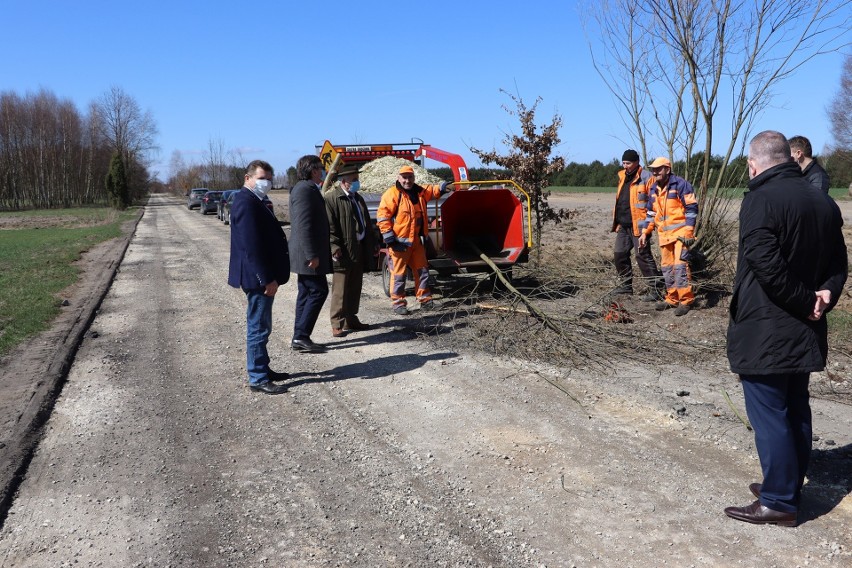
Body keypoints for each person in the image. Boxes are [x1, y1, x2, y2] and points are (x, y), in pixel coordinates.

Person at [724, 130, 847, 527]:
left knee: (770, 412)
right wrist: (825, 294)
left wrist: (803, 299)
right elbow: (839, 261)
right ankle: (787, 485)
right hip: (805, 327)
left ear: (754, 163)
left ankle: (779, 500)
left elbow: (765, 264)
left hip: (768, 327)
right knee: (795, 407)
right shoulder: (823, 201)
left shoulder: (760, 199)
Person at [227, 160, 291, 395]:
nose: (267, 182)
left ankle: (263, 368)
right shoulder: (245, 202)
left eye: (269, 178)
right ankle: (257, 377)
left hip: (263, 275)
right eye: (262, 177)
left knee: (263, 325)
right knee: (258, 327)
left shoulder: (257, 201)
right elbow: (250, 247)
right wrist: (266, 279)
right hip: (258, 279)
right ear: (248, 178)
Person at [376, 164, 453, 315]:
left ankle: (425, 300)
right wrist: (390, 239)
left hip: (416, 242)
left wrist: (444, 186)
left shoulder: (420, 192)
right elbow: (383, 217)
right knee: (398, 275)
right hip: (398, 244)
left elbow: (433, 190)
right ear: (398, 178)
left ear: (414, 178)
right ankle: (398, 303)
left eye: (410, 177)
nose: (407, 180)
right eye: (404, 177)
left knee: (422, 271)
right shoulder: (392, 194)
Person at [638, 157, 699, 316]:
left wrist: (688, 231)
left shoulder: (680, 185)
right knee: (667, 269)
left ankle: (685, 300)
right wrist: (645, 232)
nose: (655, 172)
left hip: (680, 235)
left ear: (667, 169)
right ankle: (671, 298)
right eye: (653, 169)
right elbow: (651, 214)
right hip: (664, 236)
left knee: (680, 268)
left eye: (658, 169)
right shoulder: (653, 189)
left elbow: (691, 208)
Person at [324, 164, 375, 336]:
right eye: (354, 180)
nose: (357, 182)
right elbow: (329, 227)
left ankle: (351, 319)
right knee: (340, 289)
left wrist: (372, 243)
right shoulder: (332, 199)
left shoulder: (358, 198)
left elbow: (366, 223)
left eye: (357, 179)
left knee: (355, 286)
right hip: (343, 251)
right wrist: (334, 247)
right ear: (343, 181)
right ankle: (337, 323)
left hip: (358, 248)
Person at [289, 154, 332, 353]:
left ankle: (299, 336)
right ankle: (301, 335)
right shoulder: (304, 190)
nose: (322, 172)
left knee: (306, 293)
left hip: (307, 254)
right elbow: (303, 226)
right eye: (320, 168)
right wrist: (311, 255)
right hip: (308, 255)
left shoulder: (307, 189)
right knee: (318, 291)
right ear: (314, 170)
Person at [611, 149, 663, 300]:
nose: (625, 166)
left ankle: (655, 290)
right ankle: (626, 287)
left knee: (642, 256)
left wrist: (647, 228)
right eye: (623, 163)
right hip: (623, 225)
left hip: (640, 226)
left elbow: (653, 205)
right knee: (619, 254)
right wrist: (618, 221)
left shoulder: (647, 178)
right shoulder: (622, 177)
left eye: (628, 163)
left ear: (636, 162)